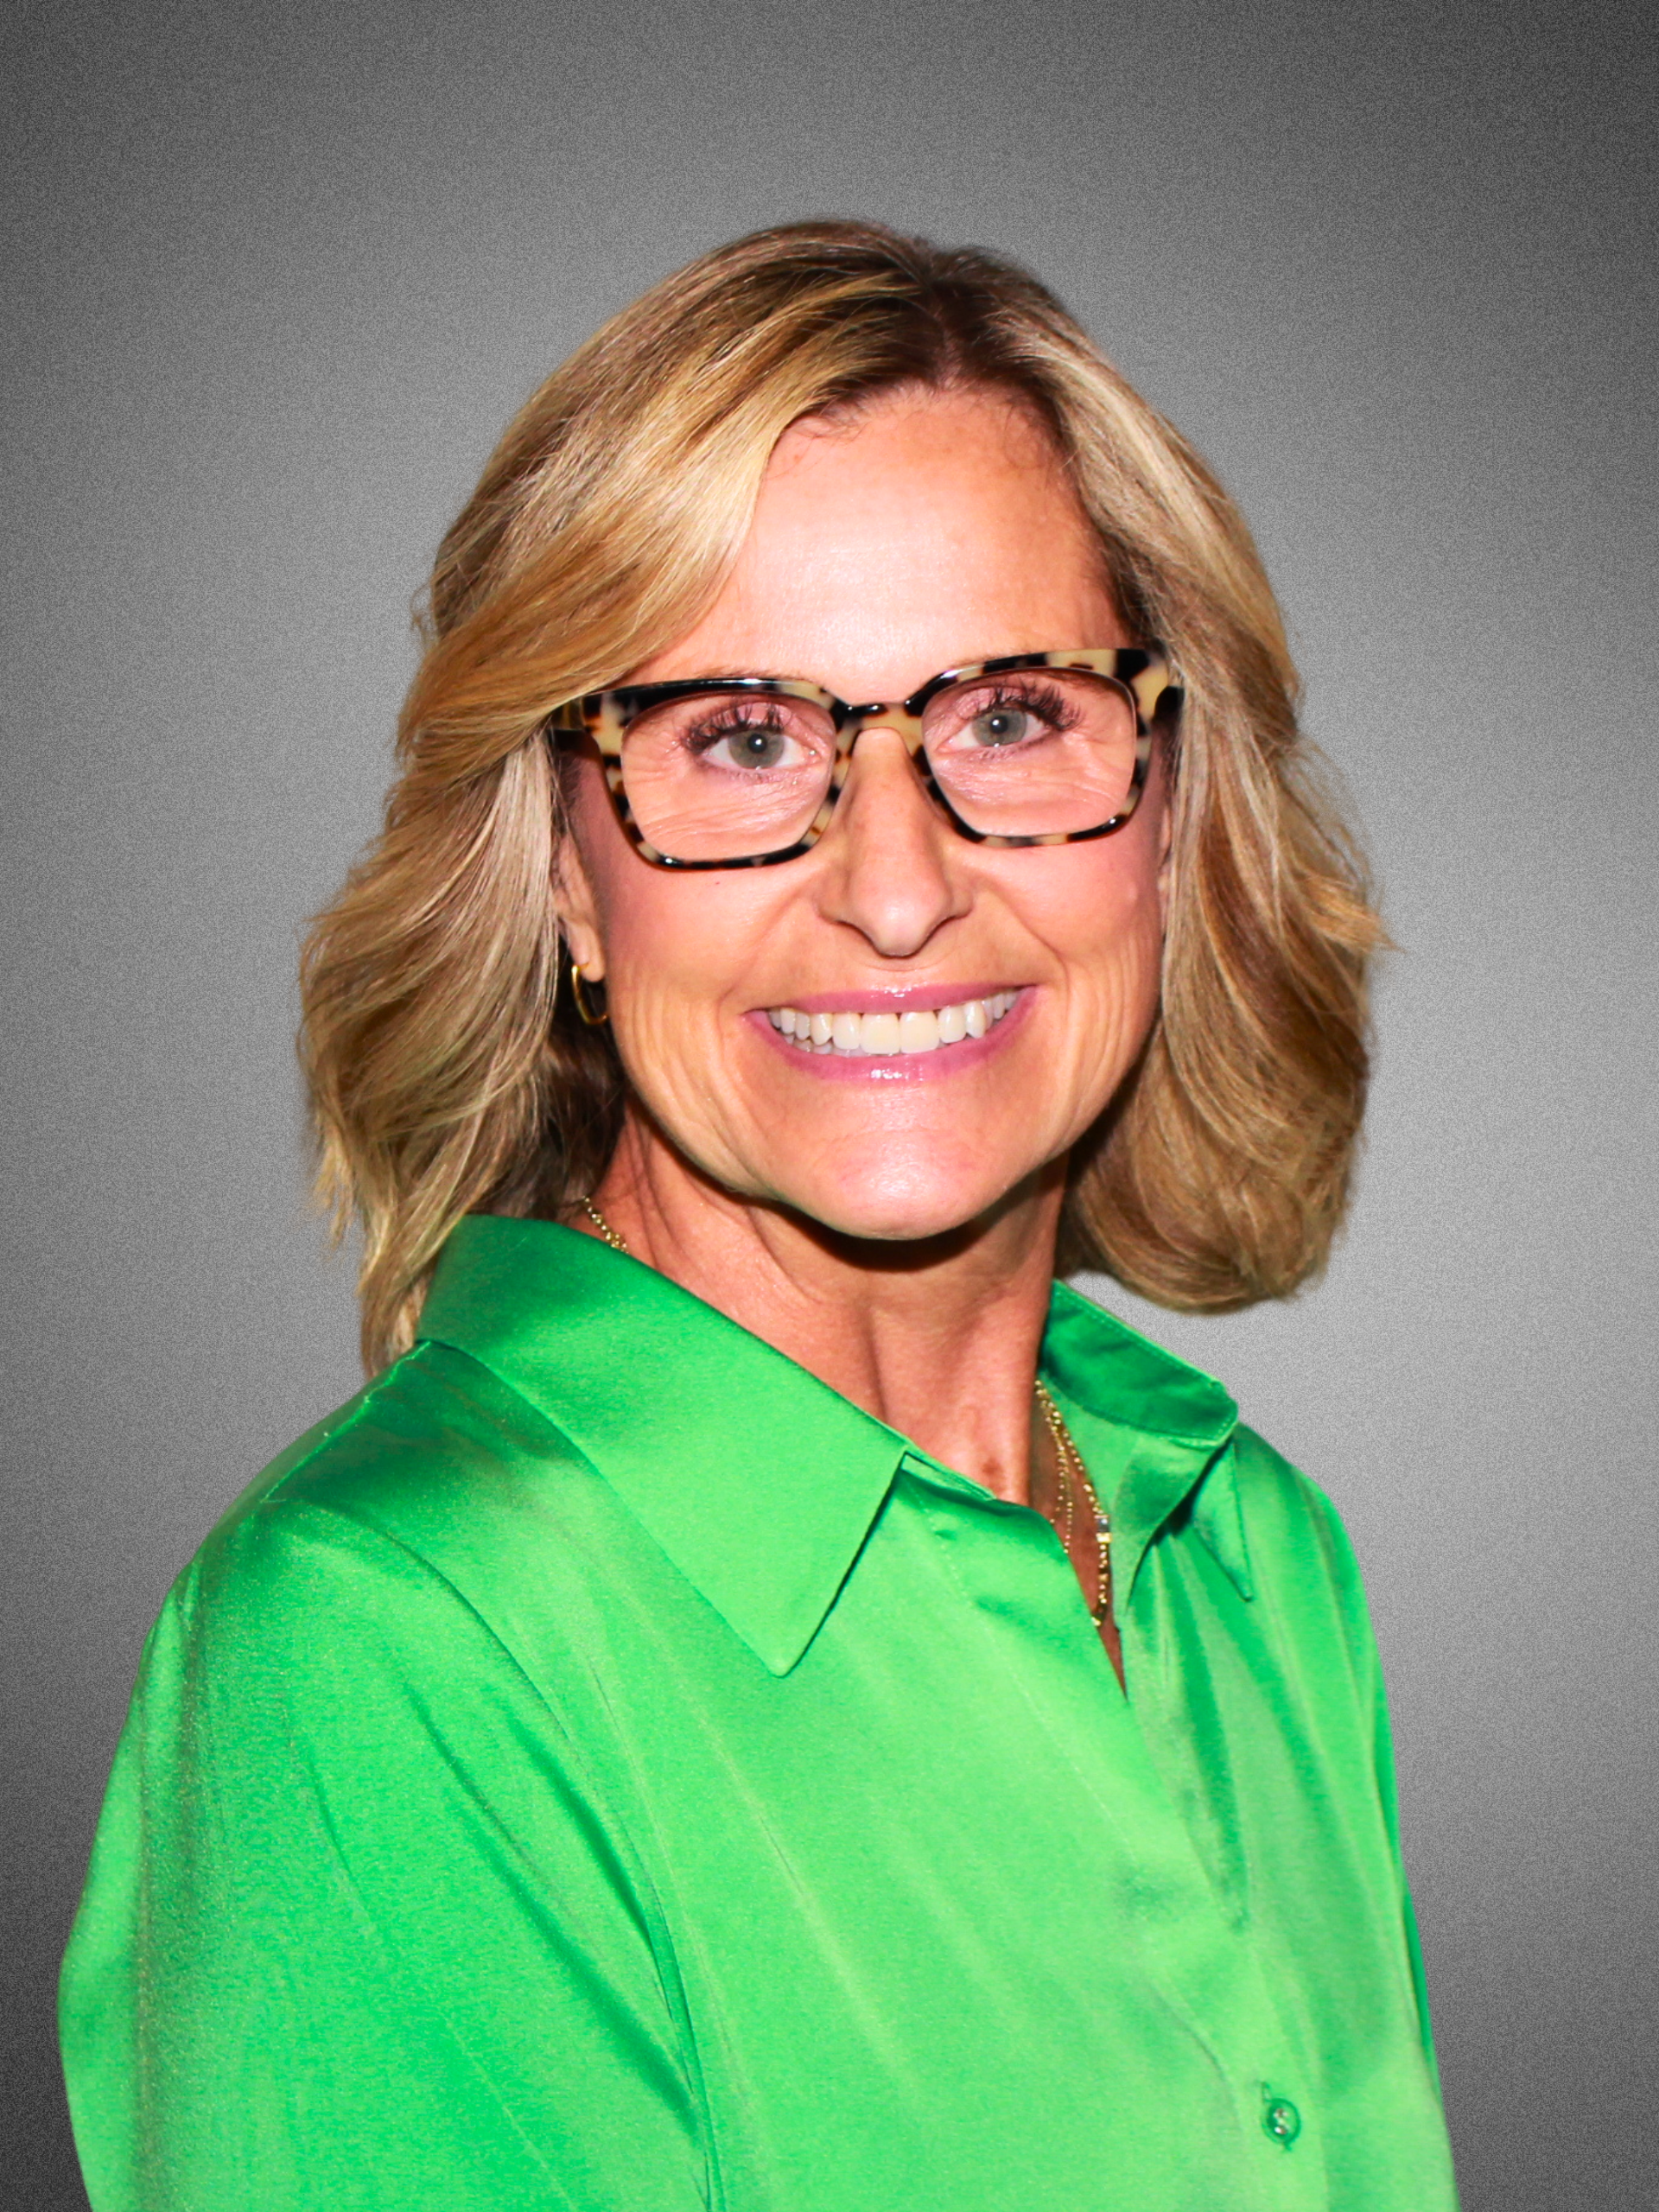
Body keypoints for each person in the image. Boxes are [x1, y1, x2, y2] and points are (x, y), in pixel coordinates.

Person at [60, 219, 1459, 2210]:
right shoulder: (387, 1652)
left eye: (1007, 717)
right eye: (740, 735)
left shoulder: (1254, 1554)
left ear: (1167, 804)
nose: (896, 885)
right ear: (562, 868)